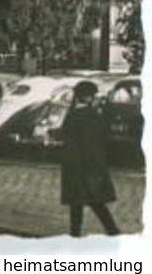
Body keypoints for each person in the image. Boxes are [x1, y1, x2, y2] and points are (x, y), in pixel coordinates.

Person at [60, 80, 120, 237]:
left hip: (75, 165)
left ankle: (77, 235)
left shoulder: (74, 114)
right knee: (94, 202)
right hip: (88, 164)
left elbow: (67, 136)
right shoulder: (92, 114)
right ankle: (112, 232)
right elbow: (97, 140)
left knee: (79, 203)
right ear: (88, 97)